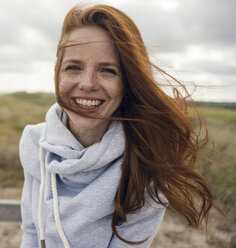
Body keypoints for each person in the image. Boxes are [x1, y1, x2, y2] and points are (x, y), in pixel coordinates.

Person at [19, 4, 215, 248]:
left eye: (107, 70)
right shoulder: (33, 142)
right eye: (73, 67)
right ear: (57, 71)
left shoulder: (146, 163)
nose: (88, 83)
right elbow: (30, 233)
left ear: (127, 82)